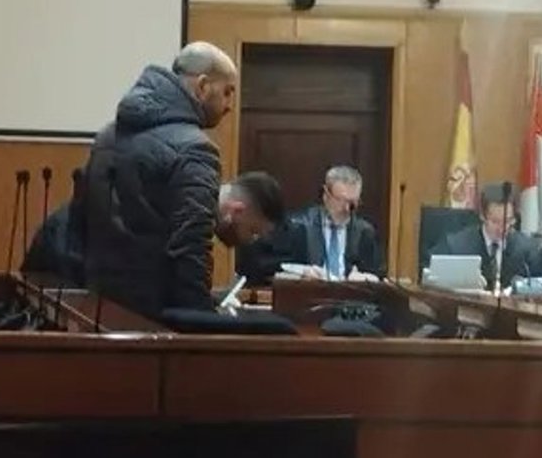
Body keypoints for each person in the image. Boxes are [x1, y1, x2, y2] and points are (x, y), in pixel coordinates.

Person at [85, 42, 284, 319]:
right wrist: (202, 320)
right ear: (202, 86)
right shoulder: (195, 149)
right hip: (156, 314)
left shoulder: (107, 135)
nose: (229, 105)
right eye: (227, 92)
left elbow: (85, 220)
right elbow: (190, 248)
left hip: (96, 305)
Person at [239, 164, 387, 284]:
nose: (347, 209)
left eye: (353, 203)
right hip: (306, 301)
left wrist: (367, 279)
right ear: (325, 195)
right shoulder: (297, 226)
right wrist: (300, 273)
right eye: (341, 201)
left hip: (350, 304)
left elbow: (378, 276)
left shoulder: (364, 233)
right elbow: (258, 265)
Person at [428, 182, 542, 292]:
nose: (502, 228)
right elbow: (430, 279)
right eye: (495, 221)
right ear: (482, 216)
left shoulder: (530, 250)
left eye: (508, 221)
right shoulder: (455, 246)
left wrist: (527, 288)